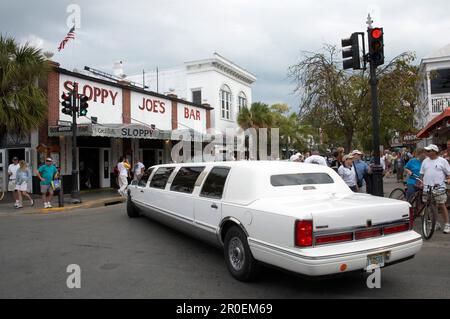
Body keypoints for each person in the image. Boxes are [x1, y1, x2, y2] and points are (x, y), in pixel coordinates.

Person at [419, 144, 450, 234]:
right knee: (431, 206)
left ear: (434, 152)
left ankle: (447, 224)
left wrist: (448, 179)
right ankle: (435, 223)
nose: (426, 152)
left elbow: (449, 173)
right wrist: (421, 182)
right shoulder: (425, 161)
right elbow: (422, 173)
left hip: (439, 187)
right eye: (426, 151)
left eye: (428, 151)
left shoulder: (443, 161)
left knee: (441, 205)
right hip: (427, 188)